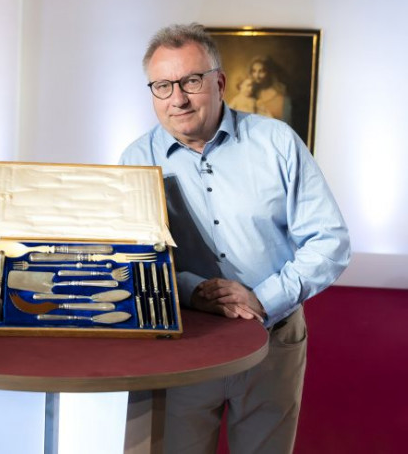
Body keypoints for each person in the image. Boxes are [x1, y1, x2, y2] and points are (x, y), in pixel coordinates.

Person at [120, 24, 350, 453]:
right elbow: (133, 260)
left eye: (191, 81)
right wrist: (193, 291)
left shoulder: (277, 142)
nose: (177, 99)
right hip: (183, 343)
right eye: (163, 86)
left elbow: (329, 241)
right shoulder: (135, 159)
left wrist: (262, 298)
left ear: (220, 82)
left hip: (273, 340)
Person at [248, 55, 292, 124]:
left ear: (269, 72)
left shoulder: (281, 95)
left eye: (261, 71)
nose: (257, 75)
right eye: (254, 71)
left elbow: (286, 124)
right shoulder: (251, 93)